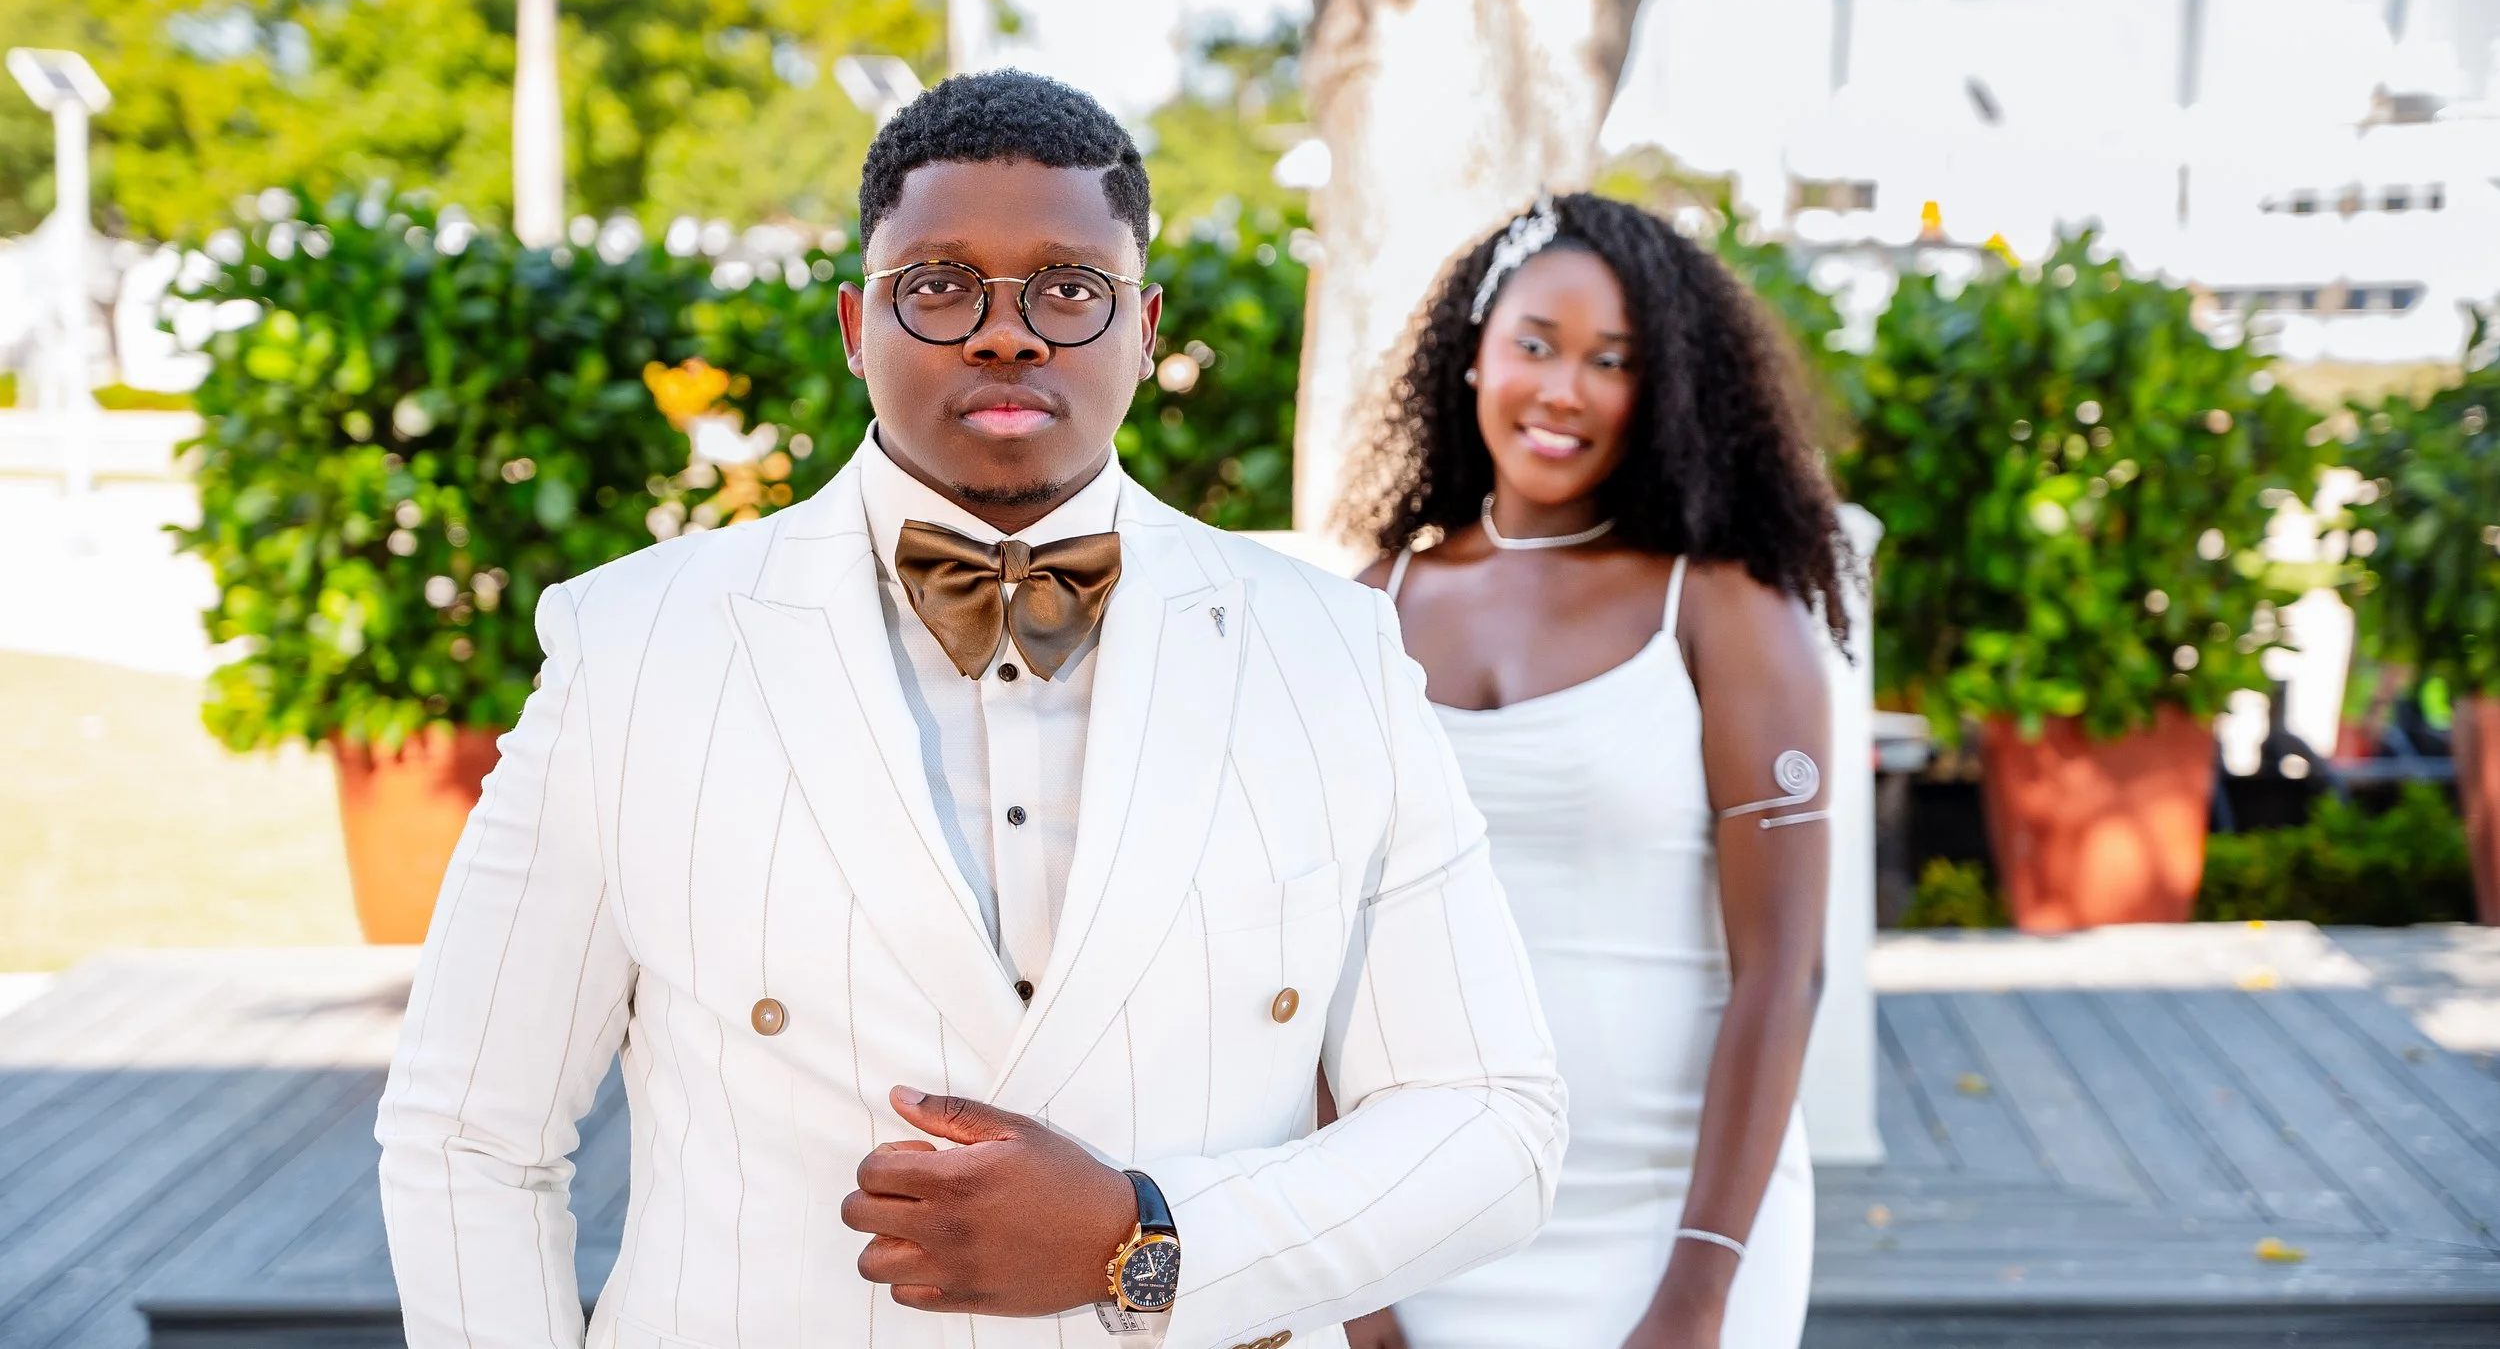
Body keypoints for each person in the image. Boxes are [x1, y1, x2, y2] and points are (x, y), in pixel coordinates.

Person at [376, 71, 1565, 1349]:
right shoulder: (636, 648)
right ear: (853, 322)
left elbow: (1492, 1118)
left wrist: (1142, 1240)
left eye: (1069, 288)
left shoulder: (1327, 652)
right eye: (939, 285)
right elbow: (468, 1132)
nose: (1007, 334)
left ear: (1146, 324)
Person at [1335, 194, 1846, 1349]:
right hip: (1423, 1206)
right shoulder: (1372, 604)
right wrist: (1348, 1280)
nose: (1563, 388)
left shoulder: (1722, 610)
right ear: (1472, 356)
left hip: (1675, 1218)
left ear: (1661, 393)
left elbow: (1782, 971)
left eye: (1612, 361)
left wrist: (1702, 1284)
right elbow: (1318, 962)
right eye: (1535, 345)